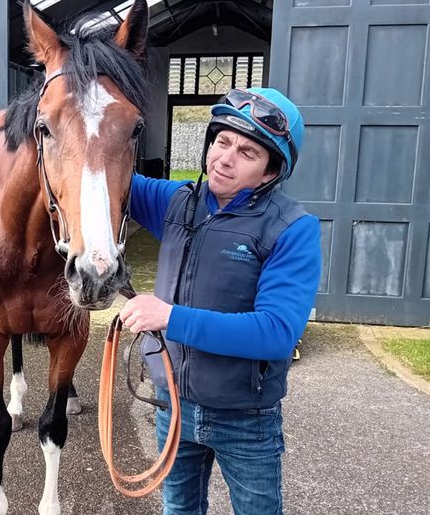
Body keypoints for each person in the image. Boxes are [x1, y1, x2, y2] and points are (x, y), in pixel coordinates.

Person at [119, 87, 321, 514]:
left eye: (247, 152)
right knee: (179, 509)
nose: (225, 158)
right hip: (172, 405)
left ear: (270, 172)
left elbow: (276, 334)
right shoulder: (177, 203)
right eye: (222, 141)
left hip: (245, 419)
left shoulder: (292, 229)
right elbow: (99, 167)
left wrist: (170, 317)